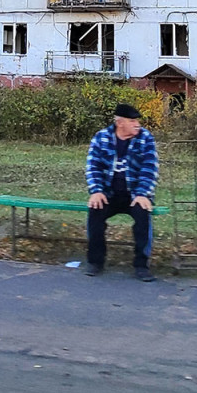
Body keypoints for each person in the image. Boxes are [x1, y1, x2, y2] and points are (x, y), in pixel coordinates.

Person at [83, 102, 159, 281]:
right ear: (120, 123)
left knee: (143, 215)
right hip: (109, 193)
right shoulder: (101, 138)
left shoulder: (145, 138)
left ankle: (141, 265)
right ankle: (95, 261)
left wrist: (142, 193)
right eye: (132, 121)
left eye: (137, 121)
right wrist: (96, 191)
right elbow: (92, 166)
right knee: (95, 211)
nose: (137, 124)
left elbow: (150, 168)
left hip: (134, 194)